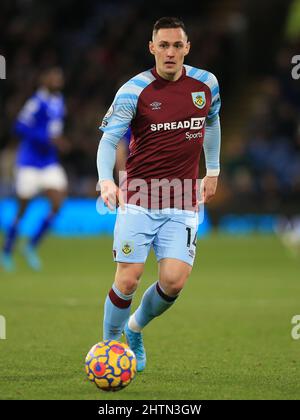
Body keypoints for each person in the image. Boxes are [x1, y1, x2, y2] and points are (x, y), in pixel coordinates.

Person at [97, 17, 221, 372]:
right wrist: (107, 180)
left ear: (187, 48)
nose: (170, 52)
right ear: (152, 48)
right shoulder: (133, 91)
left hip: (182, 200)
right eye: (163, 46)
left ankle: (134, 328)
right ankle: (110, 347)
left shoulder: (206, 84)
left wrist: (212, 170)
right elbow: (108, 140)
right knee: (128, 277)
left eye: (176, 46)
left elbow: (212, 122)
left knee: (173, 282)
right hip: (138, 197)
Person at [1, 67, 69, 272]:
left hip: (49, 162)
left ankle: (30, 245)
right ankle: (7, 250)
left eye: (59, 77)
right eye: (54, 77)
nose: (58, 80)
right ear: (44, 80)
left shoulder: (59, 102)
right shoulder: (35, 102)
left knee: (58, 201)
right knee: (23, 208)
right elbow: (19, 127)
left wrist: (57, 141)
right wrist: (46, 139)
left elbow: (55, 129)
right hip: (29, 162)